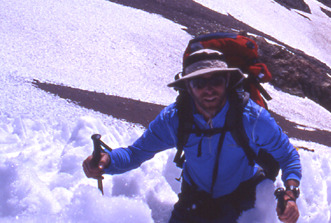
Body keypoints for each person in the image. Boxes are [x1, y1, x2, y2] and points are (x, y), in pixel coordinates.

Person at [83, 49, 301, 222]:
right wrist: (107, 161)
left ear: (226, 82)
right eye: (199, 83)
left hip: (241, 198)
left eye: (215, 81)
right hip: (194, 198)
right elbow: (135, 154)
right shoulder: (175, 118)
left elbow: (288, 156)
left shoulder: (252, 118)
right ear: (188, 86)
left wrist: (290, 194)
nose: (208, 90)